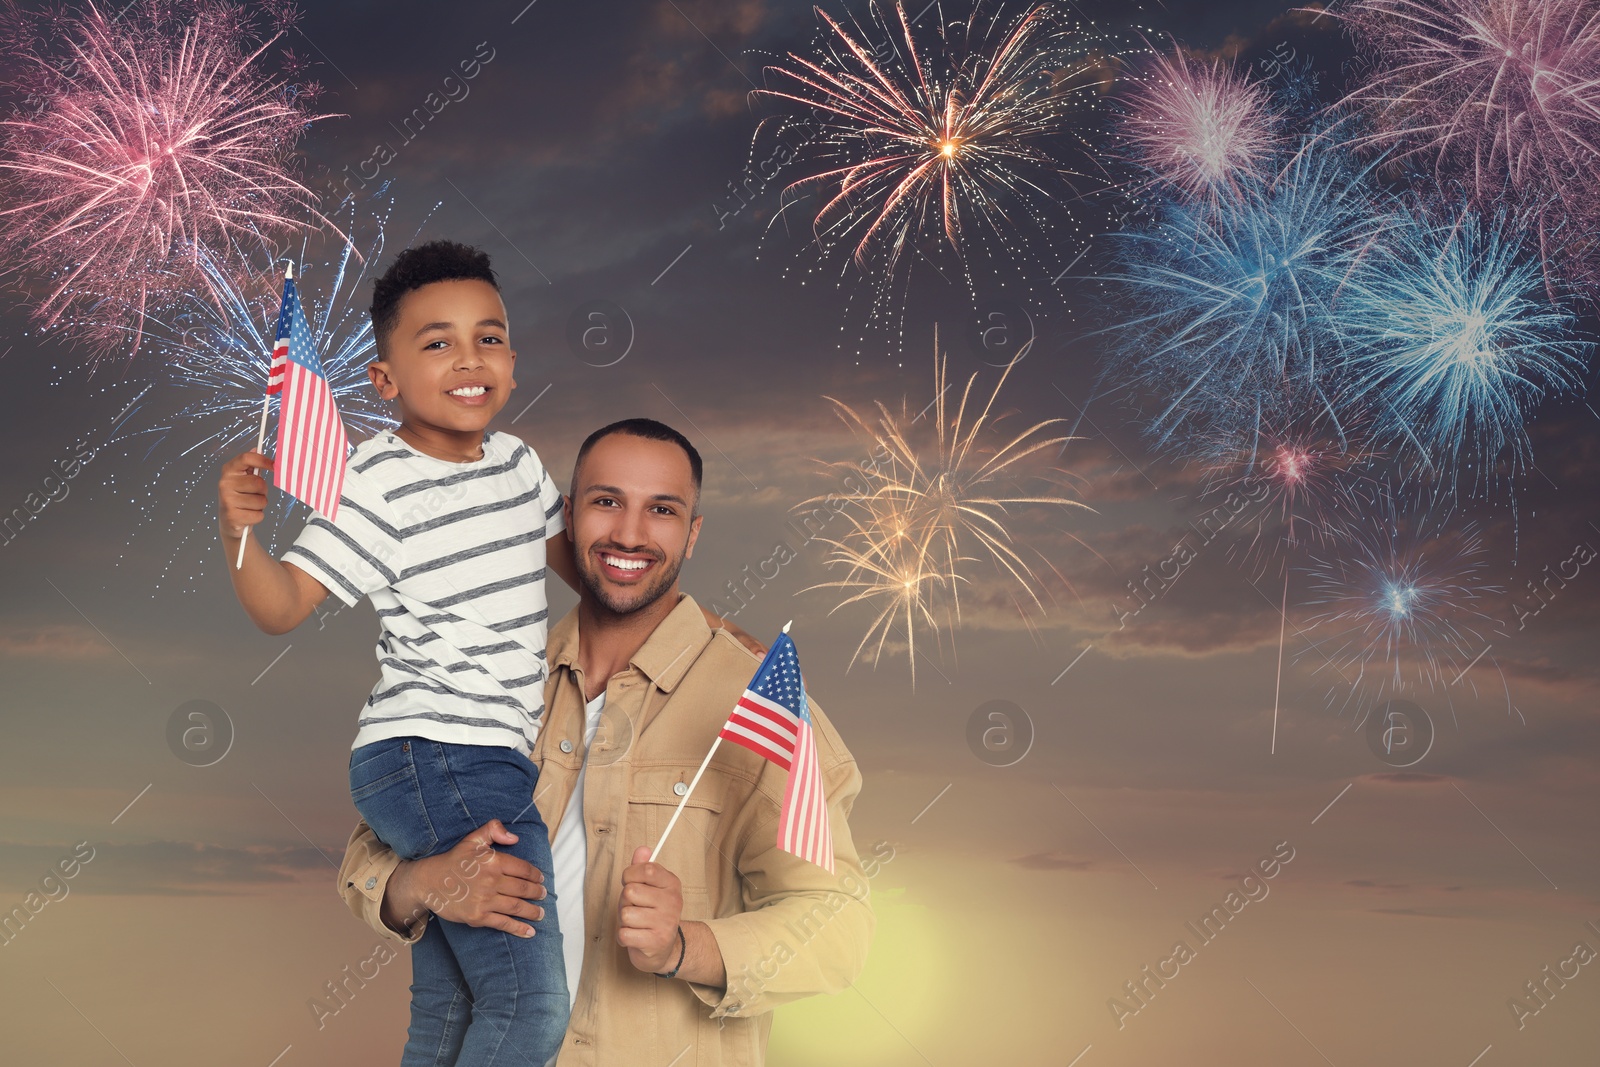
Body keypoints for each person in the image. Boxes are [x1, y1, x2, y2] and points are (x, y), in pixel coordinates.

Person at [217, 244, 753, 1066]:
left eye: (490, 338)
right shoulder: (380, 479)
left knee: (451, 1004)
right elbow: (282, 605)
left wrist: (704, 627)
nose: (470, 360)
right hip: (443, 753)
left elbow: (604, 573)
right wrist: (239, 533)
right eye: (437, 343)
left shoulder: (518, 466)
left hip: (473, 756)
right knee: (532, 1008)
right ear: (384, 380)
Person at [337, 419, 875, 1066]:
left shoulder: (758, 699)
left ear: (693, 532)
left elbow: (837, 924)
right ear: (568, 516)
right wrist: (427, 883)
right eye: (607, 501)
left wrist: (686, 945)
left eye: (663, 510)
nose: (629, 533)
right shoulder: (488, 670)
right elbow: (368, 857)